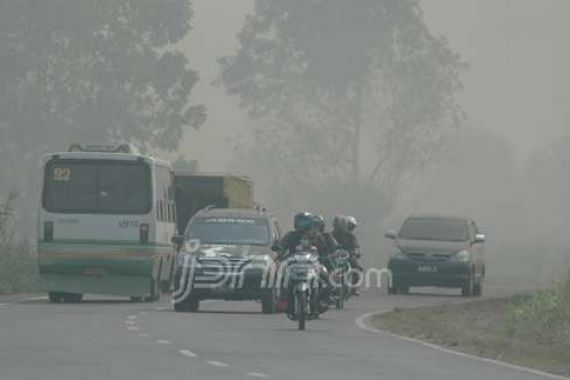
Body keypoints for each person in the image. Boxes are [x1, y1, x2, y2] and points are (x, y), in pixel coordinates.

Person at [278, 212, 330, 315]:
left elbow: (325, 250)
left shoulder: (316, 236)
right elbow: (282, 247)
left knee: (326, 276)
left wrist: (326, 258)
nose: (302, 225)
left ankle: (323, 300)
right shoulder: (291, 235)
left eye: (305, 222)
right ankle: (283, 299)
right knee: (281, 276)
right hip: (293, 263)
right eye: (300, 221)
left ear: (311, 223)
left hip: (313, 264)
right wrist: (279, 252)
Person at [332, 215, 363, 296]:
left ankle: (354, 288)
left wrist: (357, 252)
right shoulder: (331, 235)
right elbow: (327, 245)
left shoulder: (350, 236)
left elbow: (356, 245)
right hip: (335, 257)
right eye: (337, 225)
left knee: (357, 268)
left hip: (348, 256)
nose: (339, 227)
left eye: (340, 225)